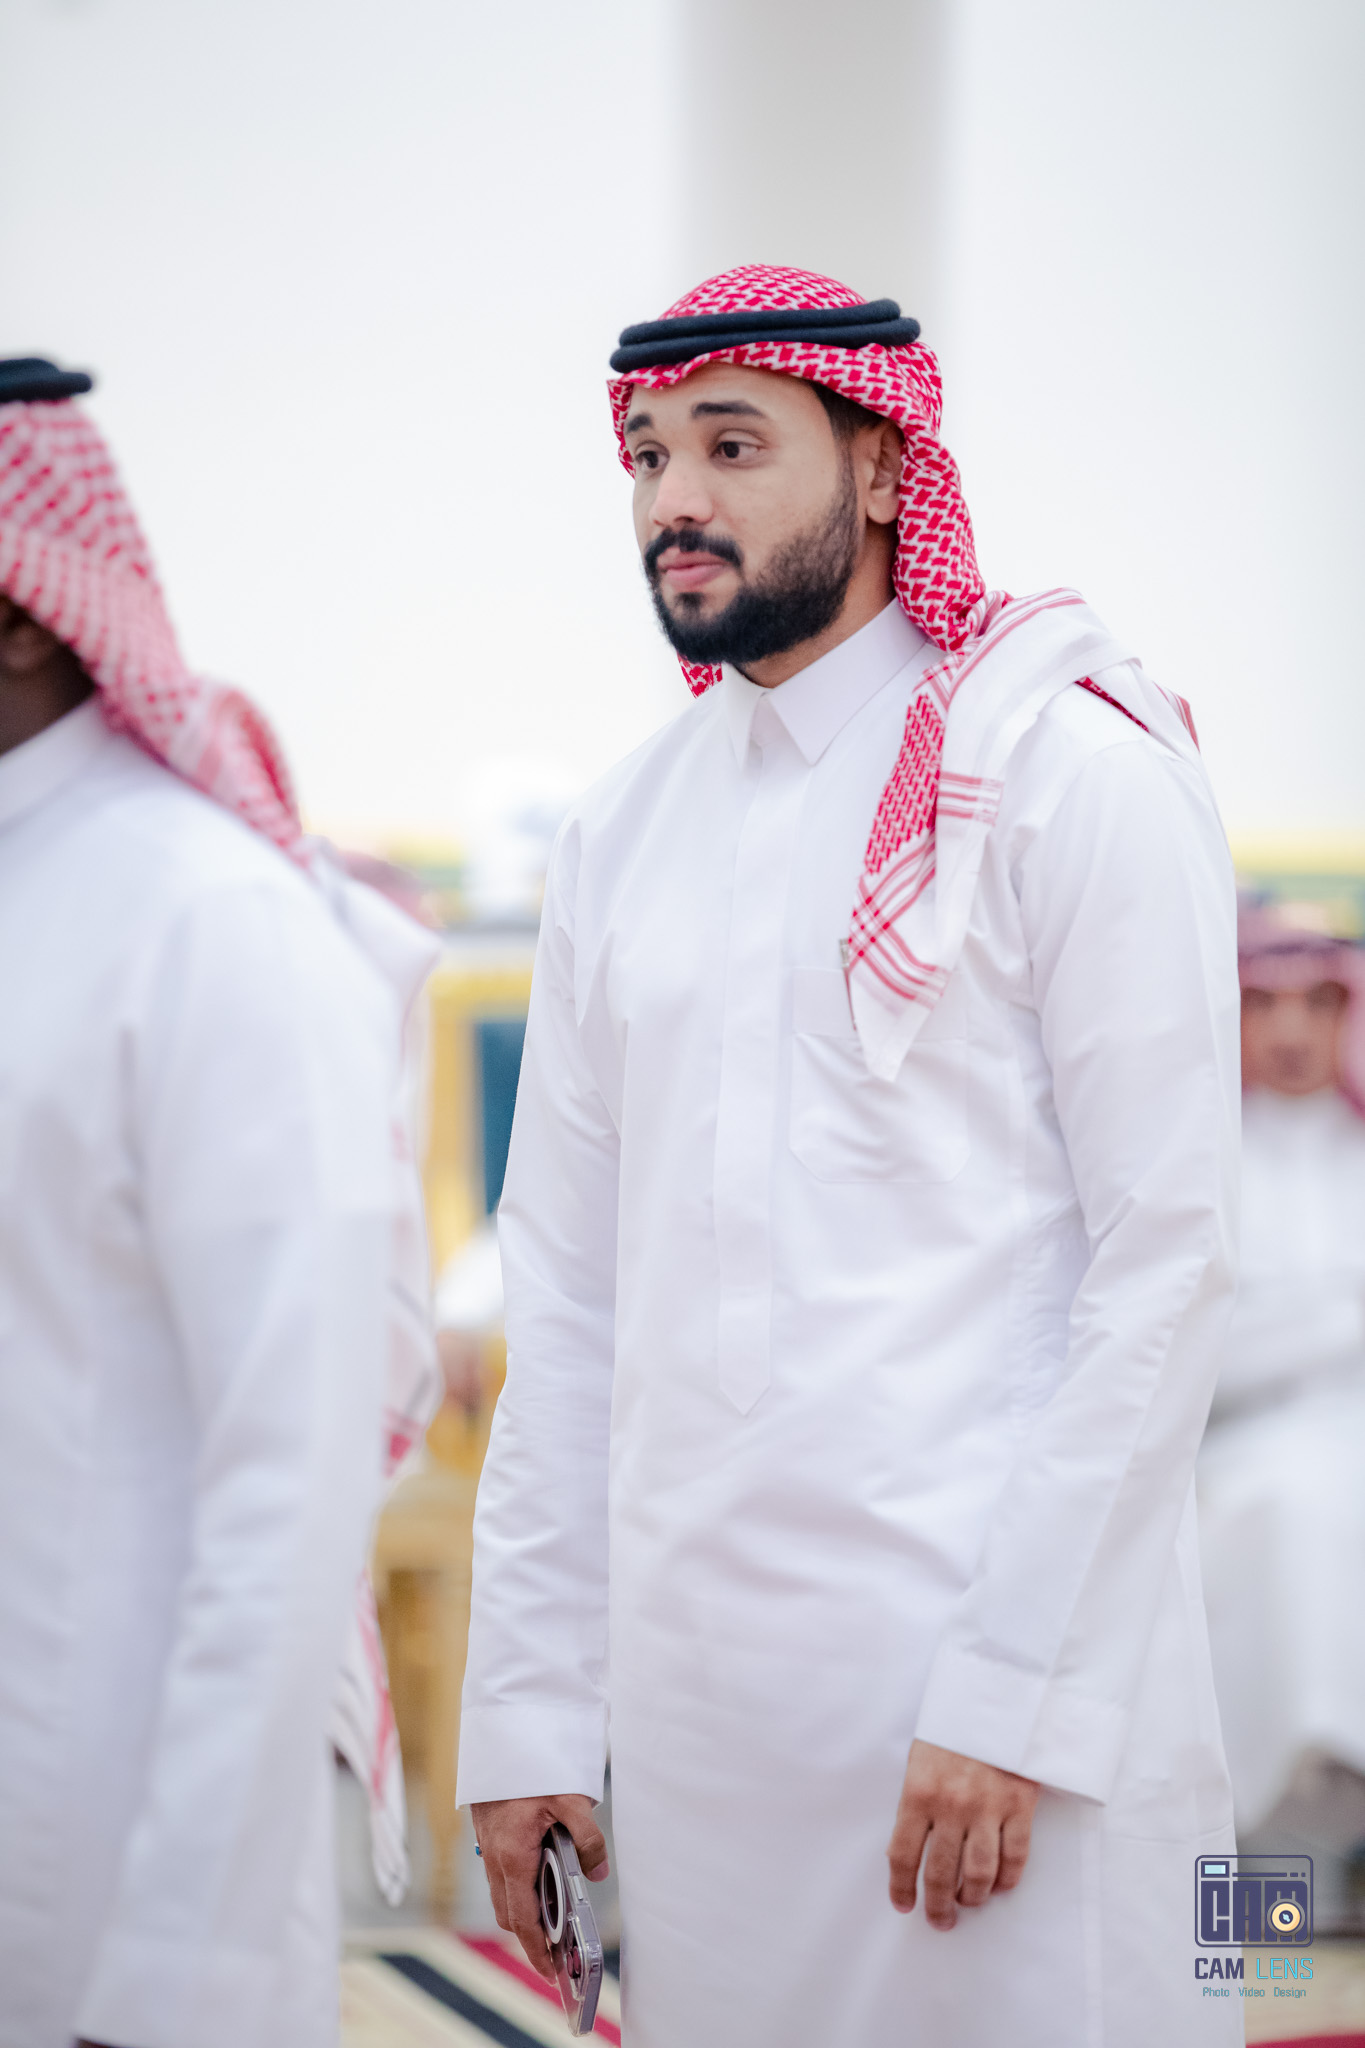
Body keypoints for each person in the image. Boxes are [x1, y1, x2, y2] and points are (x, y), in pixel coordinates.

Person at [455, 269, 1241, 2047]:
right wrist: (528, 1714)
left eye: (733, 445)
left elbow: (1168, 1261)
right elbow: (563, 1300)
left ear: (884, 470)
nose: (674, 498)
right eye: (648, 454)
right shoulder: (621, 831)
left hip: (995, 1691)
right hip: (704, 1722)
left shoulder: (1069, 773)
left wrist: (1016, 1690)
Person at [0, 359, 437, 2048]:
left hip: (107, 1857)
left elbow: (288, 1489)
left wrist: (172, 1972)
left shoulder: (207, 920)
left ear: (26, 613)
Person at [1198, 901, 1365, 1927]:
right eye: (1263, 1002)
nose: (1293, 1029)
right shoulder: (1201, 1160)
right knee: (1288, 1513)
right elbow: (1194, 1355)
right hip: (1239, 1458)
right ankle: (1265, 1916)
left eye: (1318, 1002)